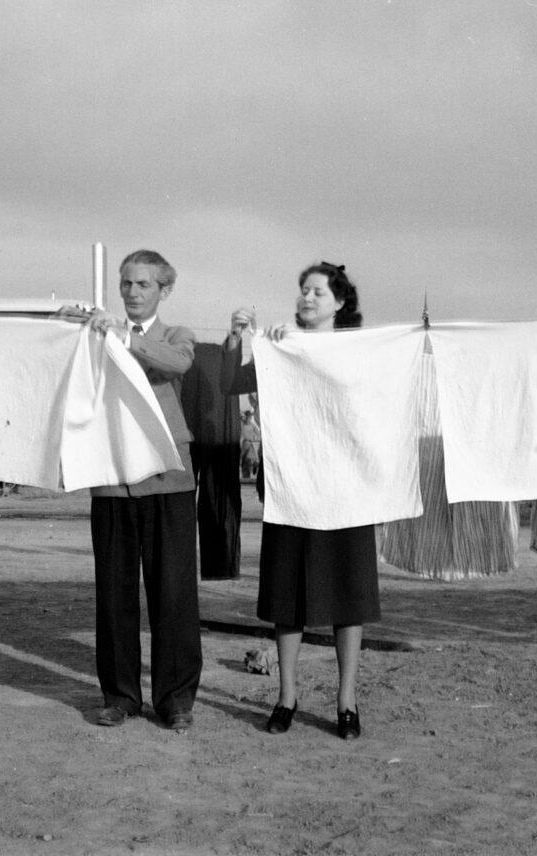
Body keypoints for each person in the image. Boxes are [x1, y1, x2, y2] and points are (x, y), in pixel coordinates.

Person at [221, 261, 378, 741]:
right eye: (302, 291)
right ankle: (286, 697)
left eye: (316, 292)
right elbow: (232, 384)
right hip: (291, 489)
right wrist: (240, 341)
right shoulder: (281, 347)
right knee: (287, 596)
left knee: (349, 597)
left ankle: (346, 701)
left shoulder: (360, 353)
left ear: (339, 303)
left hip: (347, 490)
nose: (306, 299)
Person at [62, 249, 202, 731]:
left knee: (175, 594)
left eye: (143, 285)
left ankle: (176, 700)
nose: (132, 293)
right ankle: (120, 696)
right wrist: (72, 329)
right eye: (126, 284)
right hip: (113, 480)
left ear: (164, 290)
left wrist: (119, 336)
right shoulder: (98, 333)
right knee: (114, 594)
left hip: (169, 481)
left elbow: (175, 364)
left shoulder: (176, 336)